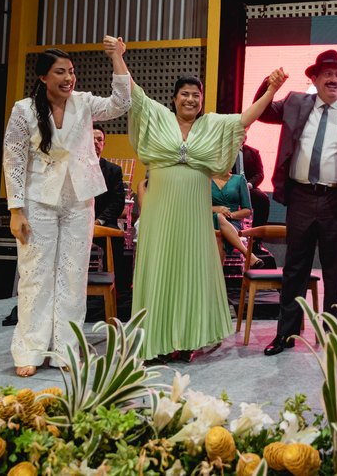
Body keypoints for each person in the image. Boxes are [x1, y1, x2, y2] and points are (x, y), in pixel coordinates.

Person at [113, 33, 287, 361]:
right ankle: (156, 342)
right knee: (160, 273)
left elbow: (244, 118)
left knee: (189, 275)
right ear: (174, 98)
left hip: (194, 215)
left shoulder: (210, 126)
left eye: (196, 95)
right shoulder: (157, 118)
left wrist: (271, 92)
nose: (191, 99)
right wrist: (118, 56)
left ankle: (188, 338)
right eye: (185, 94)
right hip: (160, 214)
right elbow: (133, 93)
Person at [3, 45, 132, 377]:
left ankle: (65, 350)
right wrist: (16, 210)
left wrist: (117, 57)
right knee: (36, 274)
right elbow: (14, 159)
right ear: (44, 76)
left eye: (71, 72)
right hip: (37, 200)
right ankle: (30, 349)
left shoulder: (85, 103)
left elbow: (121, 103)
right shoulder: (24, 110)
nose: (68, 78)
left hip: (79, 200)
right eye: (60, 72)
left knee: (74, 275)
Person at [254, 49, 337, 357]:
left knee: (334, 272)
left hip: (335, 200)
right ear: (313, 80)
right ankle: (286, 335)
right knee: (295, 270)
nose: (334, 79)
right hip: (301, 197)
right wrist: (269, 85)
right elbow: (261, 111)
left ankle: (333, 338)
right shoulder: (294, 103)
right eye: (328, 74)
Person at [92, 124, 130, 312]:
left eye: (99, 139)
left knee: (115, 238)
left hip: (103, 221)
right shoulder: (73, 166)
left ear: (104, 144)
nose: (95, 142)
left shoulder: (113, 170)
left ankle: (117, 291)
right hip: (76, 221)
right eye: (91, 139)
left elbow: (117, 203)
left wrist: (98, 221)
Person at [212, 169, 252, 259]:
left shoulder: (239, 180)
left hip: (233, 222)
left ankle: (218, 272)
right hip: (209, 220)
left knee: (219, 228)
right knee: (218, 217)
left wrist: (230, 215)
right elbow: (199, 205)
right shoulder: (206, 180)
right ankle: (247, 253)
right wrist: (215, 209)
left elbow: (247, 211)